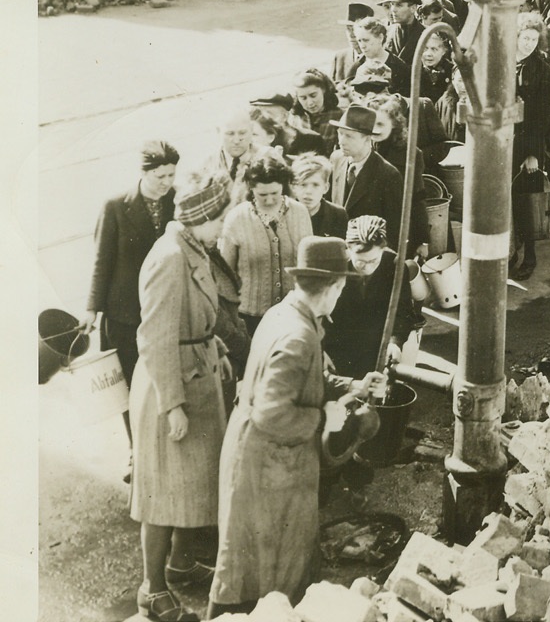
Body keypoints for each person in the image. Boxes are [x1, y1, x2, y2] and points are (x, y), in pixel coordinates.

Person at [208, 237, 386, 616]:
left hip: (261, 457)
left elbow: (307, 379)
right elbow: (272, 413)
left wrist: (353, 386)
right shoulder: (298, 336)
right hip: (268, 465)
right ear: (335, 287)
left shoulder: (284, 313)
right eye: (341, 288)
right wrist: (325, 417)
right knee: (261, 577)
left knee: (253, 567)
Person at [129, 169, 233, 622]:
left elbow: (199, 314)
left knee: (194, 486)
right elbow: (153, 337)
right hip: (170, 388)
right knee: (164, 494)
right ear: (199, 218)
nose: (222, 227)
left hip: (198, 376)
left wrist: (220, 348)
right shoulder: (169, 257)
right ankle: (152, 591)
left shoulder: (191, 246)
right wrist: (172, 404)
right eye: (218, 220)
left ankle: (182, 563)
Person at [84, 140, 179, 455]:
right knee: (126, 383)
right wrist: (91, 310)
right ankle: (135, 449)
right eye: (160, 176)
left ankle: (160, 445)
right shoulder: (115, 206)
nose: (166, 183)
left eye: (171, 175)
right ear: (144, 173)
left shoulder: (177, 202)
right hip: (124, 314)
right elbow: (102, 262)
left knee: (161, 379)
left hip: (164, 308)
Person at [219, 150, 312, 337]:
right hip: (249, 319)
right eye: (262, 195)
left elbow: (308, 265)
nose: (269, 200)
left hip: (292, 315)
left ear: (283, 187)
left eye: (275, 193)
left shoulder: (300, 213)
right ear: (250, 189)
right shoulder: (236, 218)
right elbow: (224, 274)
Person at [325, 215, 424, 380]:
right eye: (361, 262)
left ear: (383, 250)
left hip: (376, 347)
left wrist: (395, 342)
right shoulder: (334, 265)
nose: (368, 267)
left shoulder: (395, 265)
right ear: (347, 250)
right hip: (337, 347)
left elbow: (403, 311)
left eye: (374, 260)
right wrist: (321, 352)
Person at [511, 12, 550, 281]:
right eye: (525, 38)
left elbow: (541, 118)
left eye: (533, 39)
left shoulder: (543, 71)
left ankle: (529, 255)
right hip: (503, 138)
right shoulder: (504, 61)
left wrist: (532, 155)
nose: (528, 44)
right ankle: (509, 251)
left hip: (526, 142)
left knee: (525, 201)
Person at [329, 105, 404, 246]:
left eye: (349, 136)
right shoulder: (336, 159)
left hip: (368, 254)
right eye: (340, 133)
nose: (341, 141)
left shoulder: (388, 175)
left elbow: (394, 229)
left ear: (367, 138)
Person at [349, 16, 411, 98]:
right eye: (359, 41)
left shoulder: (399, 68)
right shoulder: (356, 66)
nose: (362, 46)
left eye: (366, 40)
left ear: (380, 38)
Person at [291, 154, 347, 239]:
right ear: (294, 187)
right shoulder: (284, 214)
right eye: (303, 185)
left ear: (325, 188)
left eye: (315, 185)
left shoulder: (338, 215)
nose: (308, 191)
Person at [291, 69, 340, 155]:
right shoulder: (295, 119)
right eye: (303, 98)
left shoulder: (339, 117)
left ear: (324, 90)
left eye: (313, 95)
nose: (310, 103)